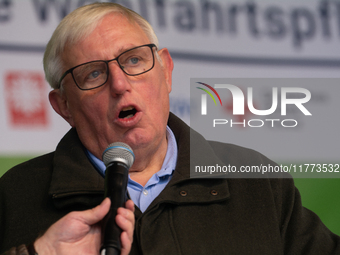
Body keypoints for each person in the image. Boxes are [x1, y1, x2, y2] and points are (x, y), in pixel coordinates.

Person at [0, 2, 339, 255]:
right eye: (93, 73)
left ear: (166, 72)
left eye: (133, 60)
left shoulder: (258, 182)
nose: (119, 84)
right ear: (64, 106)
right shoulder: (13, 196)